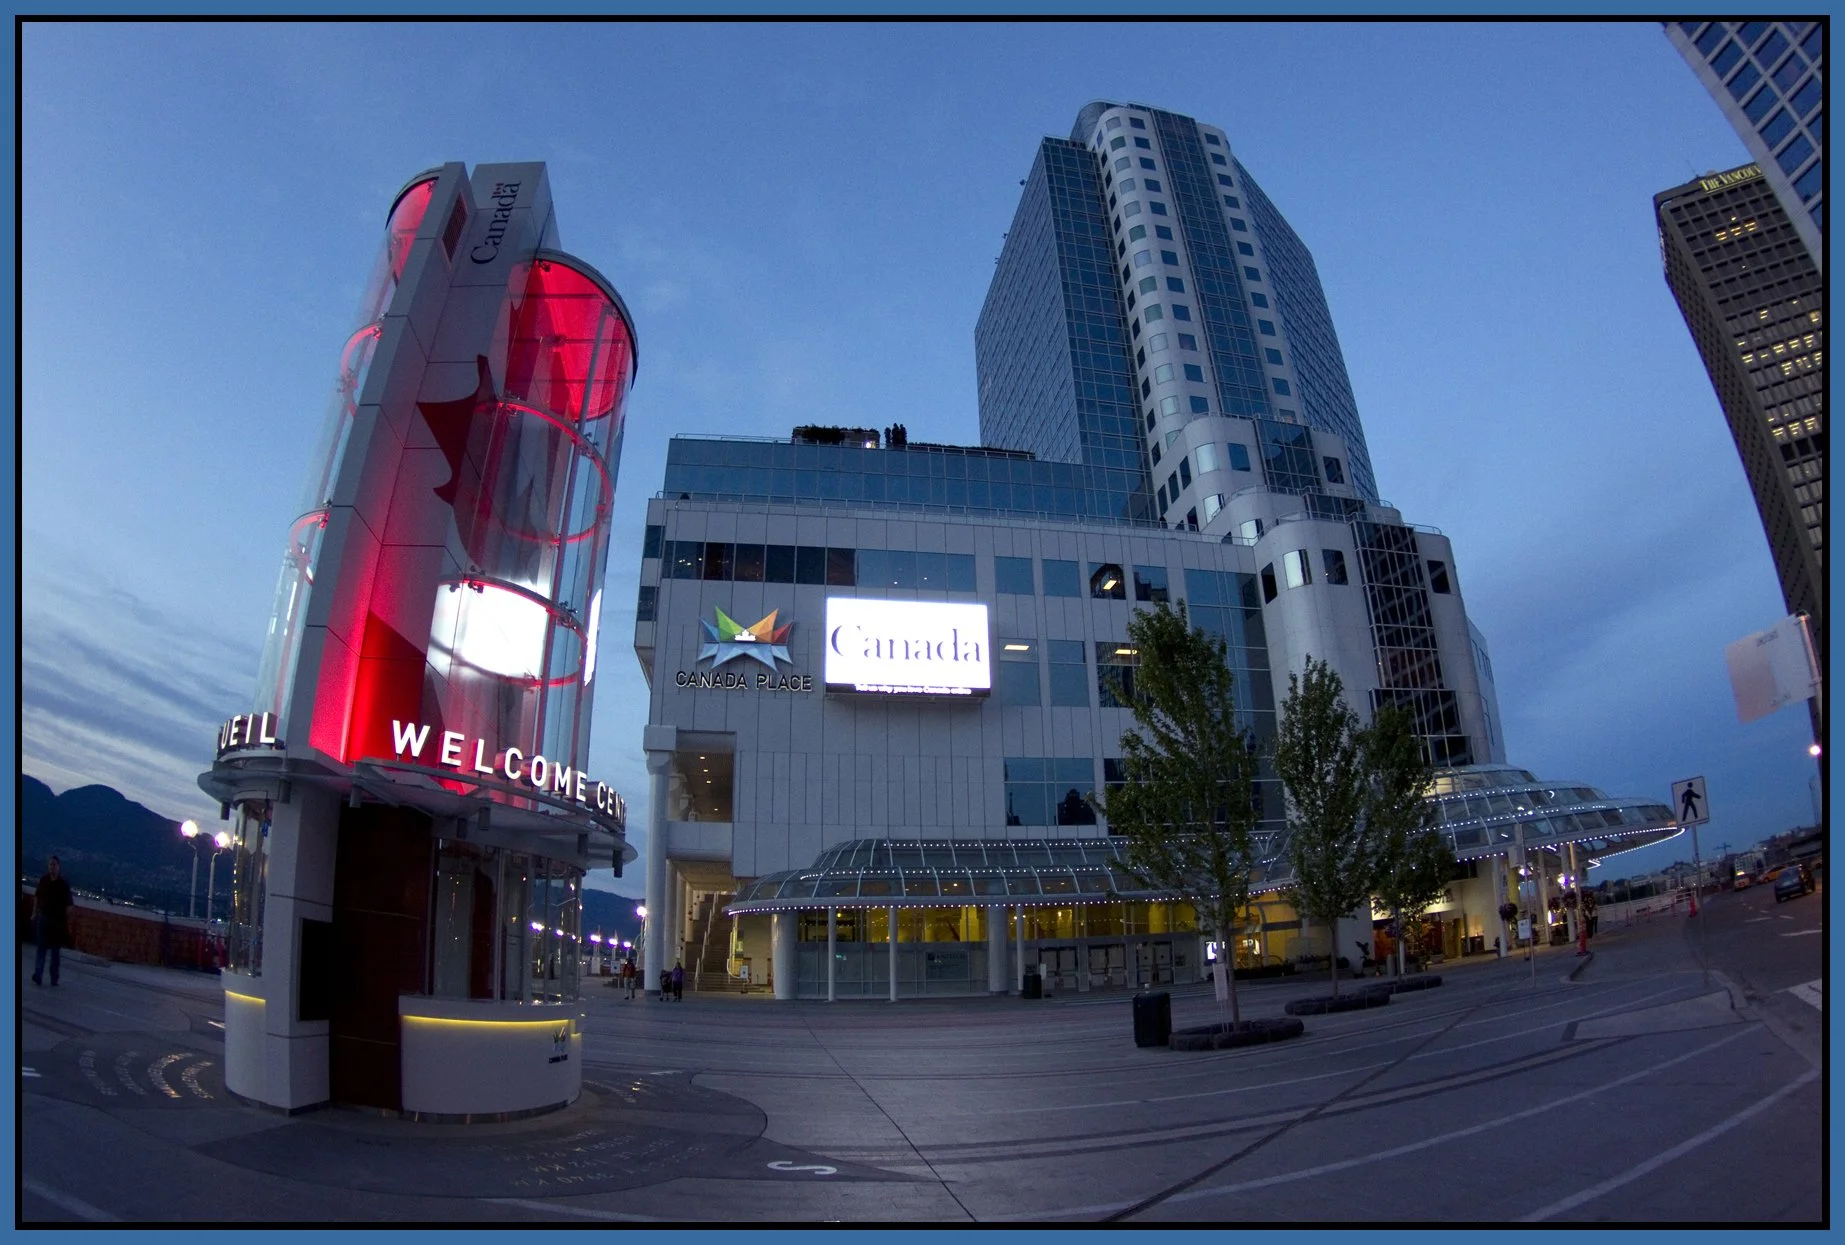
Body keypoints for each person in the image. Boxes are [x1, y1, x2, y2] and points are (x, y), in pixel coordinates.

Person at [32, 856, 74, 987]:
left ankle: (54, 977)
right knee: (41, 948)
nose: (52, 867)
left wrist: (62, 919)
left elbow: (69, 906)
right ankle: (38, 974)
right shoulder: (44, 880)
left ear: (58, 866)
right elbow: (37, 897)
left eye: (54, 864)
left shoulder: (63, 884)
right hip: (43, 918)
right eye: (50, 864)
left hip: (57, 922)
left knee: (55, 952)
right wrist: (34, 913)